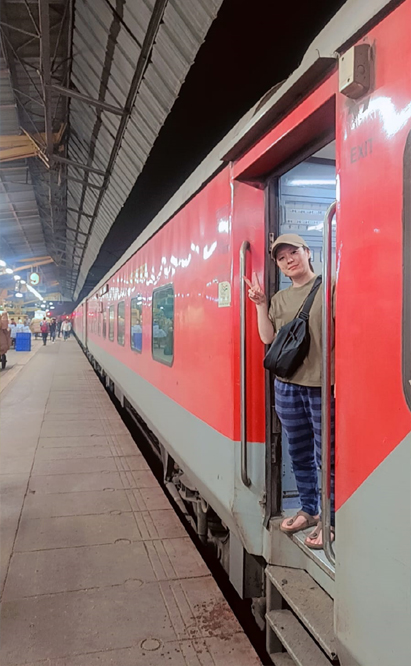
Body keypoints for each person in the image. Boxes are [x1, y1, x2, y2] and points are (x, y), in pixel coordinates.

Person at [245, 233, 335, 550]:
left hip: (322, 386)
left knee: (328, 457)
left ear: (307, 252)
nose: (289, 261)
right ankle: (310, 510)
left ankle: (331, 519)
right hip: (287, 386)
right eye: (282, 258)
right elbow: (267, 338)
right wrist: (261, 304)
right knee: (299, 453)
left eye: (293, 253)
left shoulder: (330, 287)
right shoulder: (280, 299)